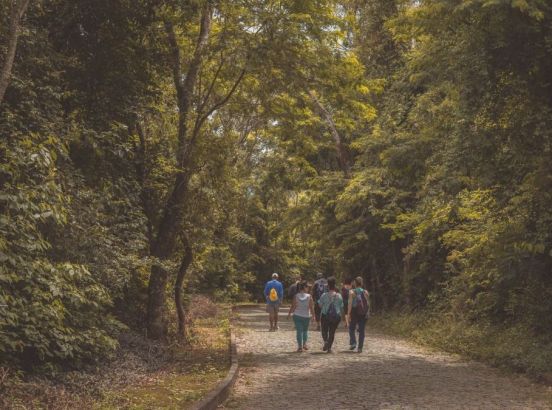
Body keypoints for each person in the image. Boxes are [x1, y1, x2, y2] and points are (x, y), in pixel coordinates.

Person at [318, 276, 343, 353]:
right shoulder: (339, 296)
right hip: (336, 316)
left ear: (328, 285)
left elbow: (320, 305)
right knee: (332, 331)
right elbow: (341, 306)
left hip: (325, 315)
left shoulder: (324, 295)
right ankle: (329, 348)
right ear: (335, 285)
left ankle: (326, 341)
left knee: (324, 330)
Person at [287, 281, 315, 352]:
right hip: (306, 316)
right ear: (304, 287)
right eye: (307, 287)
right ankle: (304, 344)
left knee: (299, 331)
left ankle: (300, 347)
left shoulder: (296, 296)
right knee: (305, 331)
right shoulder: (309, 296)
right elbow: (311, 307)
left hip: (297, 315)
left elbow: (293, 306)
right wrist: (313, 316)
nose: (308, 288)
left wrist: (289, 314)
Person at [346, 276, 370, 353]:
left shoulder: (351, 292)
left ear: (355, 283)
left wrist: (348, 313)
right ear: (362, 283)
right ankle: (360, 348)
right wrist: (367, 312)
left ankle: (353, 343)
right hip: (363, 312)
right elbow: (368, 304)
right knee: (362, 330)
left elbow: (350, 303)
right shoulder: (365, 292)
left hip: (354, 311)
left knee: (351, 328)